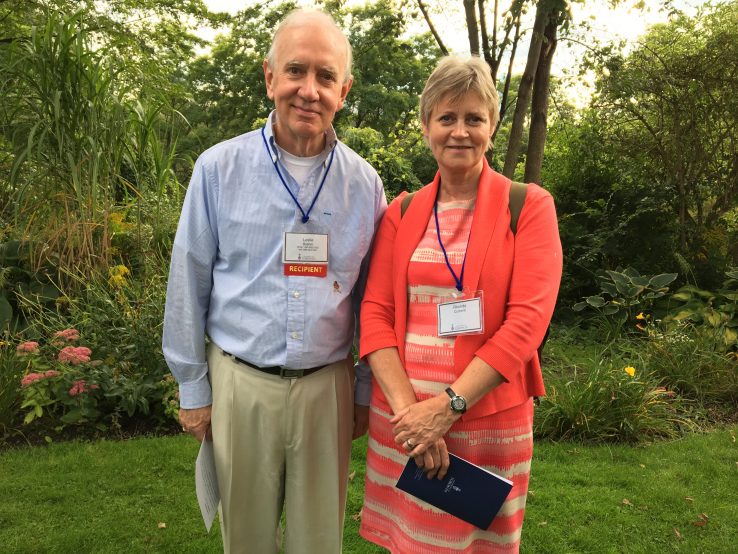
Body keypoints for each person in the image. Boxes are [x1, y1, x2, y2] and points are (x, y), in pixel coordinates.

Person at [162, 9, 386, 554]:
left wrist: (362, 391)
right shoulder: (218, 169)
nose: (309, 90)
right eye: (295, 71)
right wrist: (193, 388)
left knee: (318, 544)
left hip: (326, 389)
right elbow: (187, 281)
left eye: (325, 76)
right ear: (269, 78)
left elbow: (370, 301)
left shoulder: (364, 184)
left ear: (344, 89)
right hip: (241, 386)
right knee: (248, 542)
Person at [358, 56, 562, 553]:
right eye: (447, 118)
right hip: (404, 426)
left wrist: (446, 410)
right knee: (408, 543)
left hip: (484, 425)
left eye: (474, 118)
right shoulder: (401, 212)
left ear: (492, 126)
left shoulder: (528, 206)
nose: (460, 131)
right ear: (426, 125)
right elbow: (375, 315)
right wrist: (414, 419)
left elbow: (526, 324)